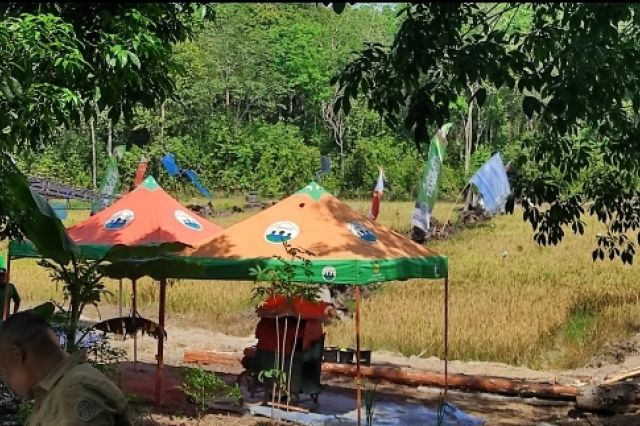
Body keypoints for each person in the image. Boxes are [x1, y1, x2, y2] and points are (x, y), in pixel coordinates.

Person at [0, 311, 132, 425]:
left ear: (17, 355)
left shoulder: (75, 390)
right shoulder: (58, 390)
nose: (6, 379)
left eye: (4, 370)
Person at [0, 256, 20, 321]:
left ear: (6, 276)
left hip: (6, 320)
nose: (1, 277)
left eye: (2, 275)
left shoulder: (10, 287)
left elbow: (17, 301)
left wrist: (14, 315)